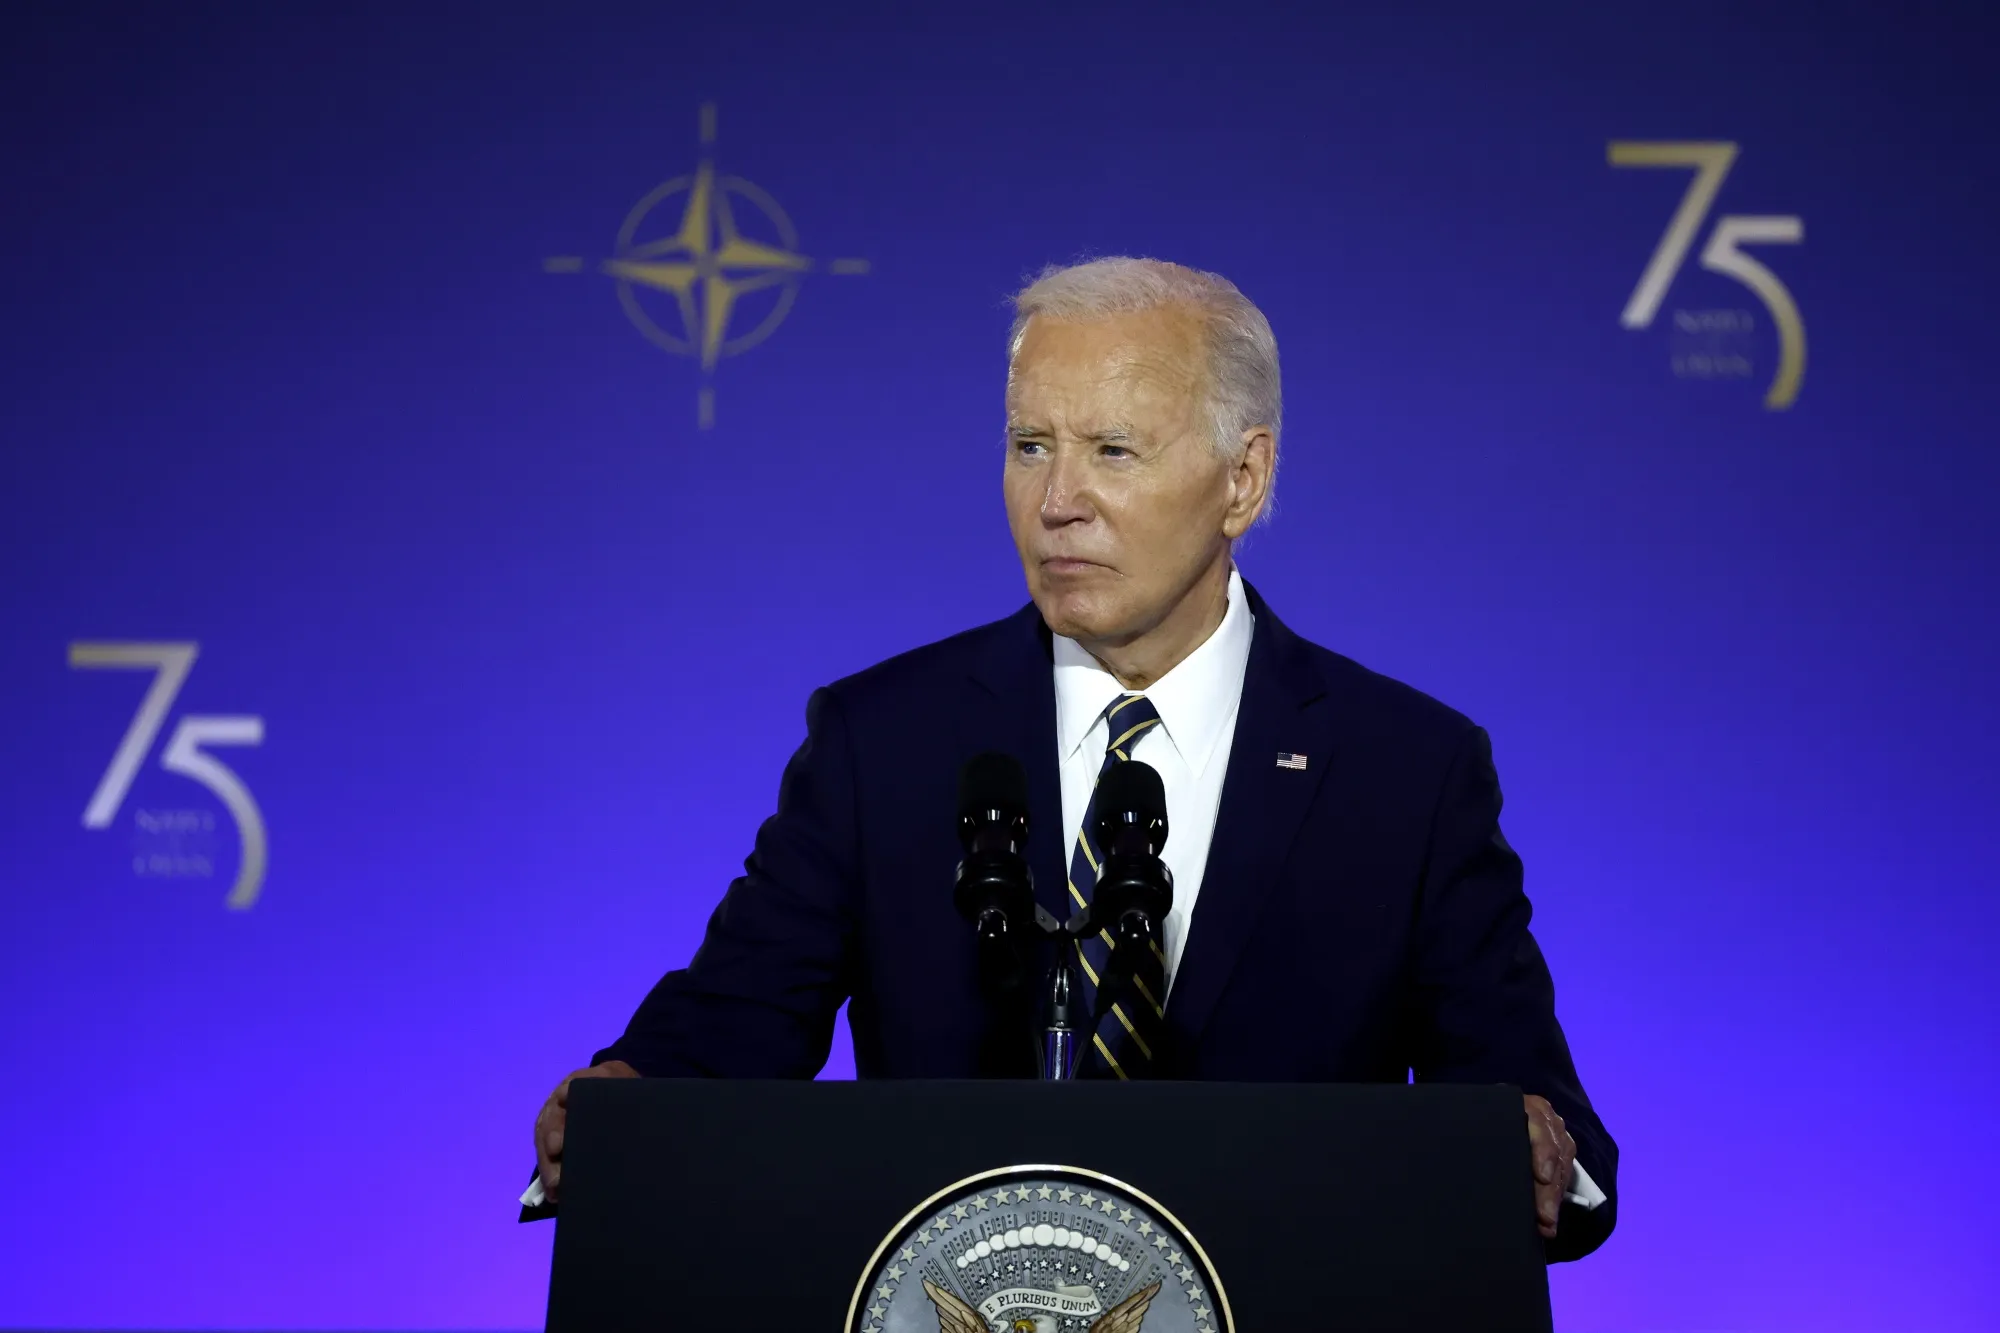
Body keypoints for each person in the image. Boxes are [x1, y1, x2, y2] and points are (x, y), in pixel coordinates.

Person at [530, 257, 1617, 1259]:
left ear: (1242, 478)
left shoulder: (1403, 769)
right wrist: (627, 1098)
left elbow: (1525, 1102)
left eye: (1111, 451)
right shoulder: (883, 742)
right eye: (1029, 446)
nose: (1056, 503)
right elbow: (730, 1025)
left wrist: (1531, 1147)